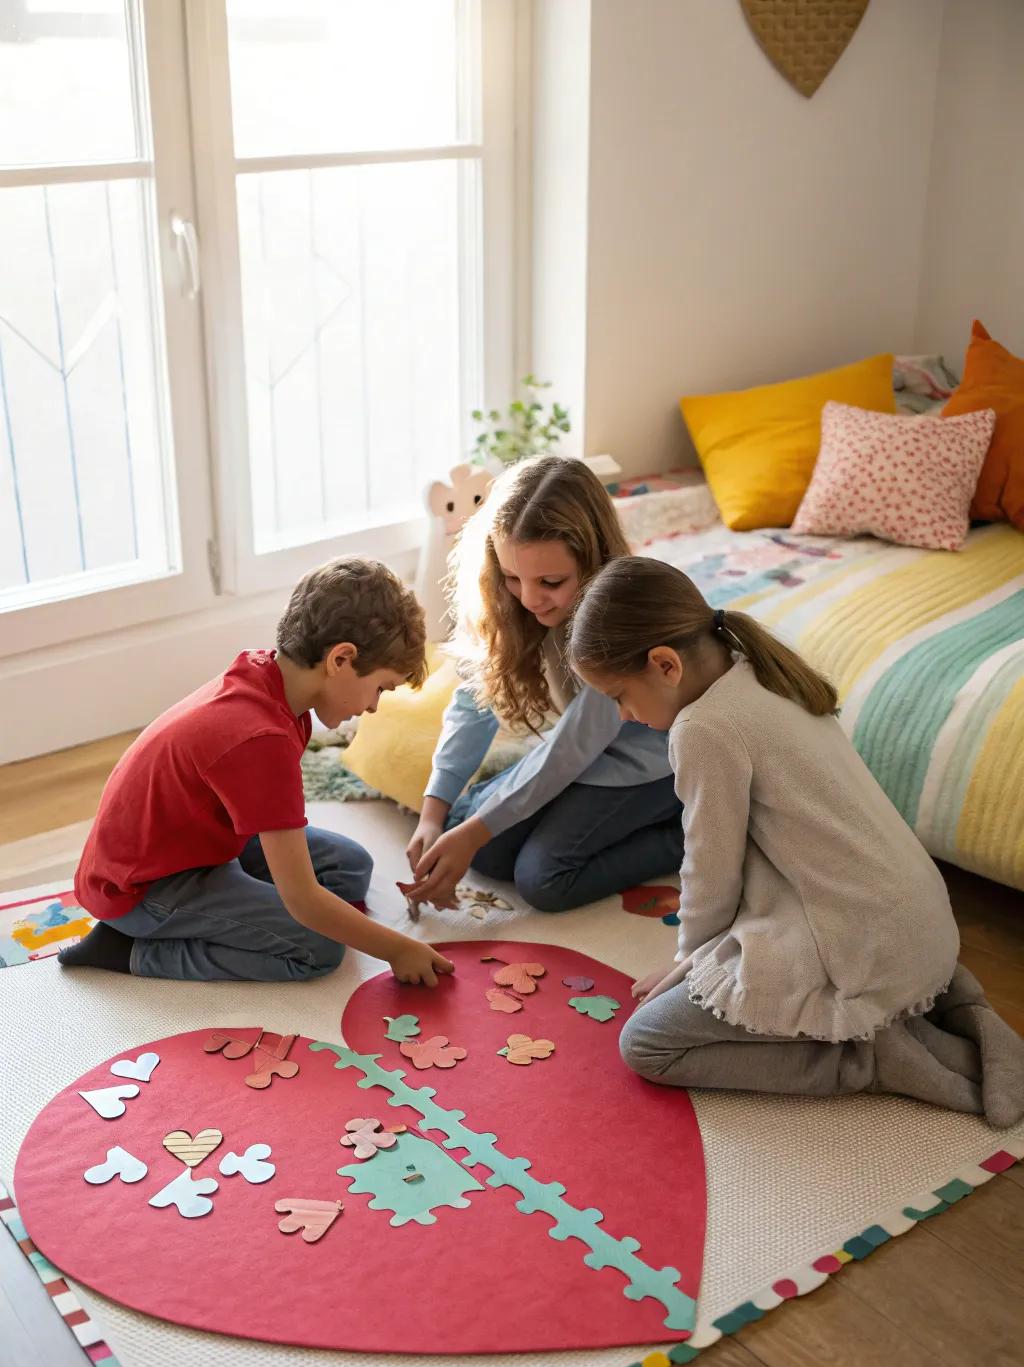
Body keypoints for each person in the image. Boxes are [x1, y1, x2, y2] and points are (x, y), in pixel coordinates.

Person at [566, 555, 1024, 1128]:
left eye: (618, 696)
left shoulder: (703, 727)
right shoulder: (756, 666)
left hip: (867, 945)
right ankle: (952, 1006)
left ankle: (868, 1059)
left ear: (665, 665)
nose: (623, 715)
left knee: (648, 1044)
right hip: (927, 927)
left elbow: (710, 869)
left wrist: (689, 966)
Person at [60, 558, 454, 988]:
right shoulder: (259, 738)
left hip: (200, 843)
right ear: (341, 658)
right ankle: (129, 949)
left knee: (351, 867)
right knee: (319, 949)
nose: (374, 706)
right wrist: (398, 948)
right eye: (379, 688)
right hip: (142, 889)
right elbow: (303, 899)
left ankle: (237, 907)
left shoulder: (271, 681)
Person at [404, 456, 682, 913]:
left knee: (542, 880)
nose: (530, 598)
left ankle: (686, 831)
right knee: (475, 839)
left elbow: (571, 749)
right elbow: (474, 700)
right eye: (513, 578)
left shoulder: (613, 618)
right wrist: (433, 813)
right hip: (582, 751)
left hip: (648, 766)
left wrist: (473, 831)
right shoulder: (512, 604)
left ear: (593, 562)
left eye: (551, 581)